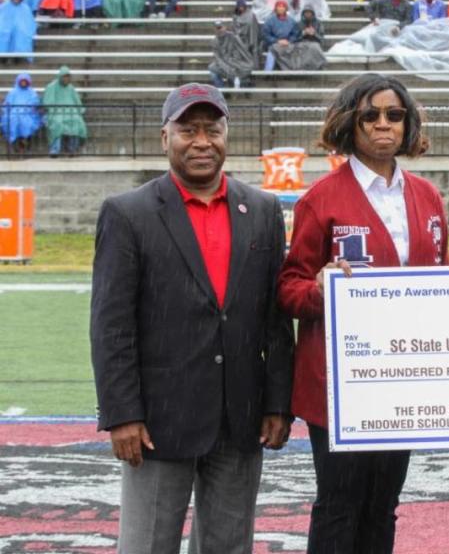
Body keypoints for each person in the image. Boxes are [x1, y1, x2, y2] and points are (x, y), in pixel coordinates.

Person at [90, 83, 295, 552]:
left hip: (241, 418)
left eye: (212, 129)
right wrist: (122, 414)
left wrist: (277, 403)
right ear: (165, 137)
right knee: (147, 544)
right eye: (188, 129)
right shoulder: (128, 213)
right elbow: (111, 325)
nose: (202, 141)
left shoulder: (262, 210)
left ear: (227, 135)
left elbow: (276, 320)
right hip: (158, 422)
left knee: (229, 545)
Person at [277, 73, 449, 554]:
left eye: (394, 115)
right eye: (370, 115)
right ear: (349, 123)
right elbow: (288, 287)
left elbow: (441, 283)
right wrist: (319, 290)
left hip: (401, 380)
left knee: (382, 505)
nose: (383, 125)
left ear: (408, 124)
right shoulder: (321, 198)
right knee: (339, 503)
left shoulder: (428, 197)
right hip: (339, 383)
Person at [42, 66, 86, 156]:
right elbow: (48, 102)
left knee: (77, 121)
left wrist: (80, 110)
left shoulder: (71, 88)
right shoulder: (52, 86)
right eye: (65, 76)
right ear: (60, 76)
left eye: (68, 76)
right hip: (56, 112)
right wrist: (52, 110)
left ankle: (72, 148)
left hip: (71, 111)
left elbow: (77, 101)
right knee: (57, 123)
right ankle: (55, 149)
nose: (66, 79)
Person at [1, 73, 42, 153]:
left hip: (27, 113)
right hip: (14, 112)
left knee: (26, 121)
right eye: (22, 81)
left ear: (28, 82)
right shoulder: (13, 92)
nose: (23, 83)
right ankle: (13, 144)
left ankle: (24, 144)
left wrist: (27, 109)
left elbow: (35, 103)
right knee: (12, 120)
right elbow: (7, 103)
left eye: (25, 81)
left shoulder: (32, 93)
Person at [261, 0, 298, 70]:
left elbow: (295, 34)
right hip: (274, 44)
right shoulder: (269, 20)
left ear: (286, 8)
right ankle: (267, 72)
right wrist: (277, 41)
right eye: (279, 6)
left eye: (283, 6)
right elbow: (265, 34)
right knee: (272, 51)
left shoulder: (292, 21)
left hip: (288, 43)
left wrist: (289, 41)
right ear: (276, 8)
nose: (281, 8)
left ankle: (291, 71)